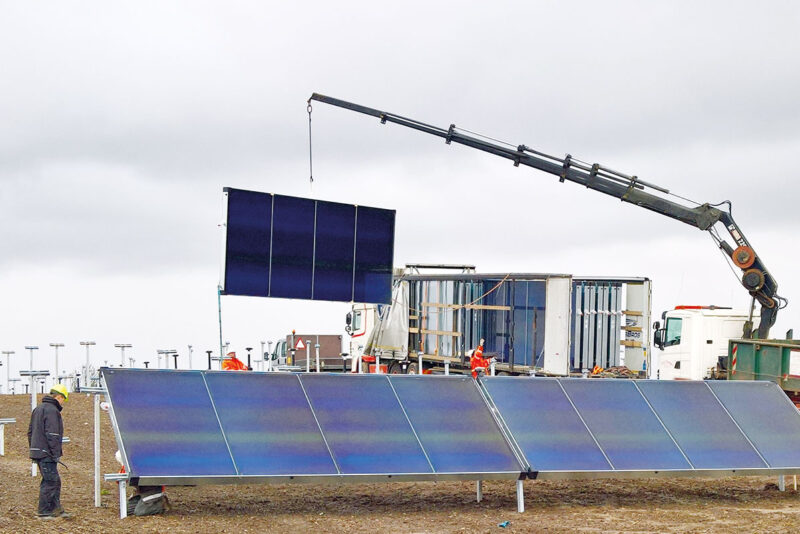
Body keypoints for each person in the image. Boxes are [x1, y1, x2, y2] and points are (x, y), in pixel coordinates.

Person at [28, 384, 70, 520]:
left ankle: (56, 509)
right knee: (51, 481)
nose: (63, 402)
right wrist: (55, 453)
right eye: (63, 399)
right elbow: (52, 434)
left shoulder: (38, 409)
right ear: (59, 397)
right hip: (47, 453)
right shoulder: (52, 411)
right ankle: (44, 511)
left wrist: (34, 448)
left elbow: (30, 432)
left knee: (54, 480)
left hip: (38, 451)